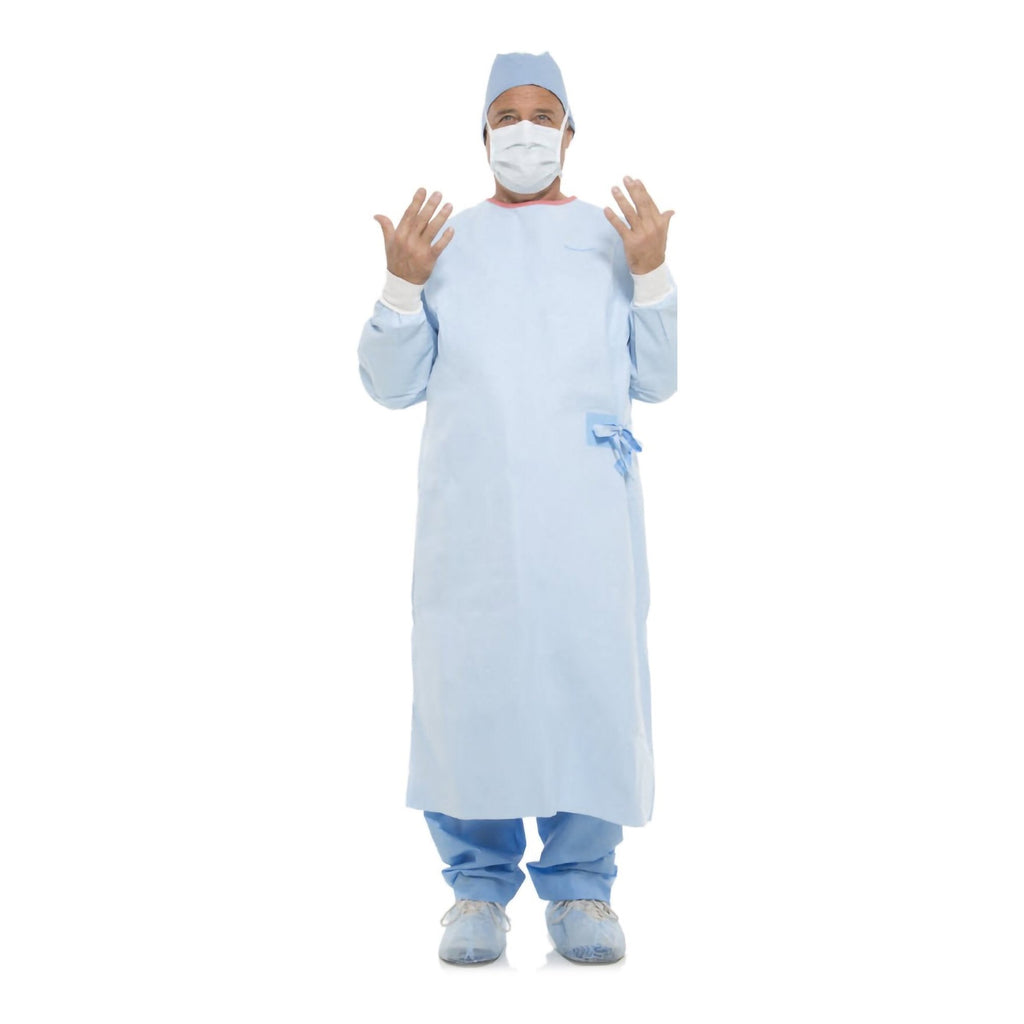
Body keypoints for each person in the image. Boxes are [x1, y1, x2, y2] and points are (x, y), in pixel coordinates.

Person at [357, 51, 677, 966]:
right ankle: (476, 887)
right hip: (476, 523)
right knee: (473, 690)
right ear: (483, 135)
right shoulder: (445, 243)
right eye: (507, 117)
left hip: (585, 518)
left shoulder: (612, 240)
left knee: (589, 684)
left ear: (570, 134)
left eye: (543, 115)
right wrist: (401, 285)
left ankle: (582, 885)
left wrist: (652, 275)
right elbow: (390, 386)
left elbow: (658, 379)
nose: (525, 132)